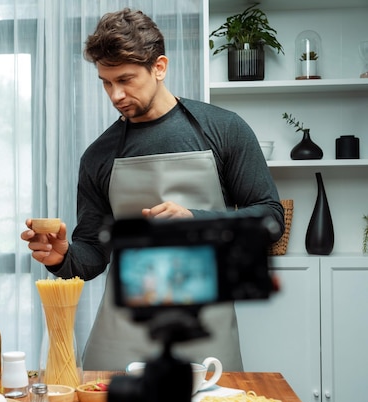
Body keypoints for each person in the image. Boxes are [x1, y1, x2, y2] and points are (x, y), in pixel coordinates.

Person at [20, 8, 284, 371]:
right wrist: (63, 257)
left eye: (126, 79)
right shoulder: (98, 155)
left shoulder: (224, 130)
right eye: (106, 82)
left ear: (159, 67)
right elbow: (93, 255)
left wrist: (195, 221)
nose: (115, 94)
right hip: (121, 333)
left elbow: (270, 218)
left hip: (204, 329)